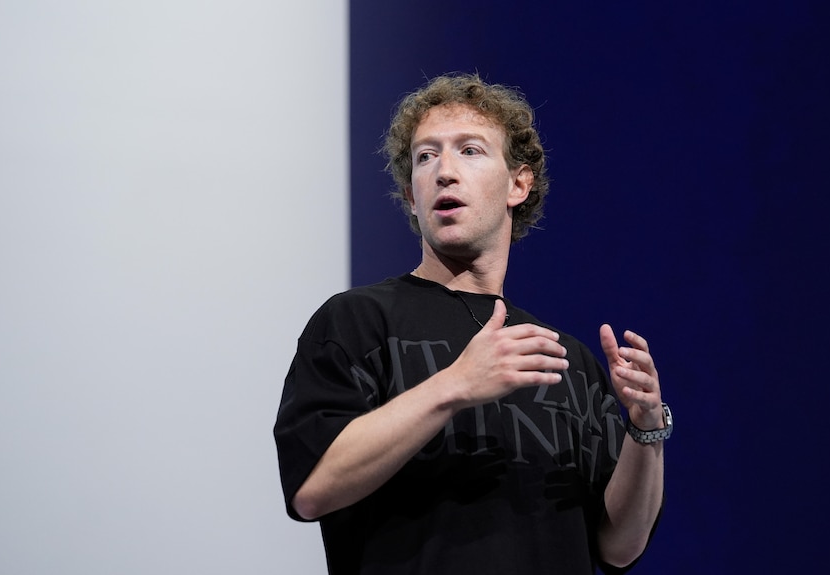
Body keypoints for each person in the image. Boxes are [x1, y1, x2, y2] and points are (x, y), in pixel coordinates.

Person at [274, 73, 671, 575]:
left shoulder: (562, 358)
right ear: (410, 195)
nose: (444, 171)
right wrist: (455, 386)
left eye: (470, 150)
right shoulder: (357, 321)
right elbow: (312, 489)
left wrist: (645, 429)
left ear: (518, 184)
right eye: (425, 156)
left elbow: (620, 546)